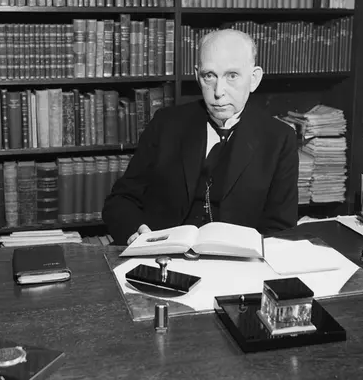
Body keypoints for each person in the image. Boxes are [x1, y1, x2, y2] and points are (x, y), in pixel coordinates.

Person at [102, 29, 298, 245]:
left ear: (254, 79)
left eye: (232, 76)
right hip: (162, 254)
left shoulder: (279, 139)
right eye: (209, 76)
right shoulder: (166, 124)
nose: (218, 91)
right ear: (197, 76)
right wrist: (136, 231)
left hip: (235, 259)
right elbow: (121, 200)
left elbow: (280, 229)